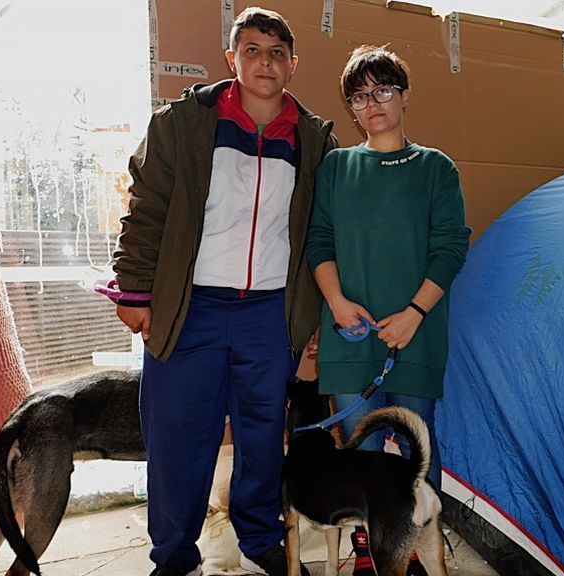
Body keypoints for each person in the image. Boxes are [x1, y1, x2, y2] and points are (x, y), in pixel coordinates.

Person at [111, 8, 335, 576]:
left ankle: (261, 539)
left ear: (293, 66)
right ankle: (173, 554)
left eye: (278, 53)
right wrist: (135, 291)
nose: (266, 61)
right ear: (232, 58)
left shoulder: (313, 141)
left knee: (262, 437)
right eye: (253, 50)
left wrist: (313, 322)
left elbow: (318, 233)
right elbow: (146, 210)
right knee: (180, 439)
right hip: (191, 309)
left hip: (269, 312)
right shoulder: (183, 124)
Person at [305, 45, 469, 570]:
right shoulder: (336, 166)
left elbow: (451, 247)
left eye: (382, 90)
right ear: (351, 108)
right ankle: (366, 552)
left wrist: (415, 314)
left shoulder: (435, 167)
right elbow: (318, 242)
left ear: (403, 95)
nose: (371, 103)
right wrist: (336, 302)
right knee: (361, 457)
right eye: (359, 96)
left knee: (418, 452)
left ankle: (421, 548)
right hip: (349, 335)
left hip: (416, 333)